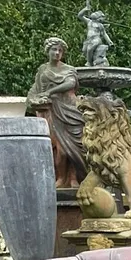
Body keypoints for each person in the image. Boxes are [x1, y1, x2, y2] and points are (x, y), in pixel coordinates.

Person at [26, 37, 86, 188]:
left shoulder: (69, 69)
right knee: (59, 149)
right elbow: (36, 89)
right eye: (54, 49)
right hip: (51, 111)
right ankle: (60, 177)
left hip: (70, 110)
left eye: (60, 50)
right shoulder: (43, 70)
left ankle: (74, 178)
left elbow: (70, 83)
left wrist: (50, 92)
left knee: (75, 147)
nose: (57, 53)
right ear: (48, 51)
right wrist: (32, 99)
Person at [78, 0, 113, 67]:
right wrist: (85, 9)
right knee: (85, 50)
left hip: (96, 39)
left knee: (90, 48)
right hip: (89, 40)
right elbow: (80, 16)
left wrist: (109, 41)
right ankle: (91, 62)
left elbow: (104, 34)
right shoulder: (89, 22)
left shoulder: (100, 25)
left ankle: (88, 62)